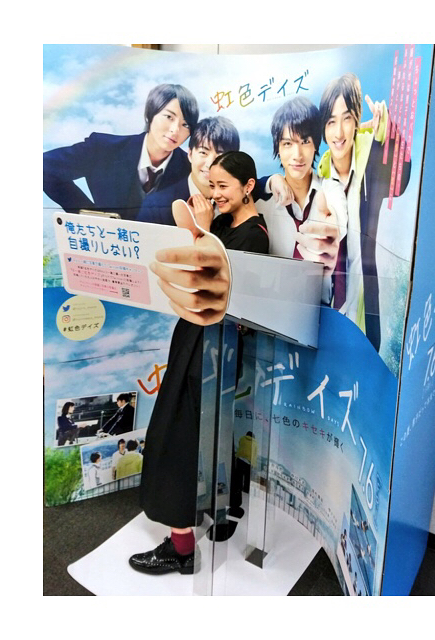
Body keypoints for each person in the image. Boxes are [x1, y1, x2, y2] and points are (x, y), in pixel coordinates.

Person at [130, 151, 269, 576]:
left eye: (223, 186)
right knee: (203, 433)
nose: (215, 194)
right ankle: (218, 514)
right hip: (198, 341)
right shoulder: (227, 225)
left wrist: (203, 231)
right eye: (212, 186)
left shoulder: (254, 236)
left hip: (210, 347)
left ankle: (182, 548)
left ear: (248, 187)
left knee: (180, 436)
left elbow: (214, 286)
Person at [317, 73, 411, 351]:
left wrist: (388, 132)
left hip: (364, 299)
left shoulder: (371, 154)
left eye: (346, 118)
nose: (339, 133)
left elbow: (400, 180)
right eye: (331, 121)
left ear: (357, 119)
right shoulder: (322, 173)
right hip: (330, 305)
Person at [43, 83, 199, 221]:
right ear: (150, 115)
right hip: (104, 241)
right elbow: (44, 168)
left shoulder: (191, 169)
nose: (175, 130)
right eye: (169, 117)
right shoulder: (103, 149)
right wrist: (88, 215)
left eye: (185, 125)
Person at [254, 97, 347, 306]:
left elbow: (338, 222)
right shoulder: (264, 199)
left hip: (319, 308)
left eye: (305, 142)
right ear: (278, 148)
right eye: (288, 144)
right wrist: (269, 181)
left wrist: (332, 234)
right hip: (271, 306)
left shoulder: (331, 190)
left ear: (316, 145)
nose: (297, 155)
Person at [137, 116, 240, 225]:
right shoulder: (155, 206)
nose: (210, 164)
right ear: (190, 154)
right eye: (203, 153)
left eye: (220, 156)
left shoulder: (238, 205)